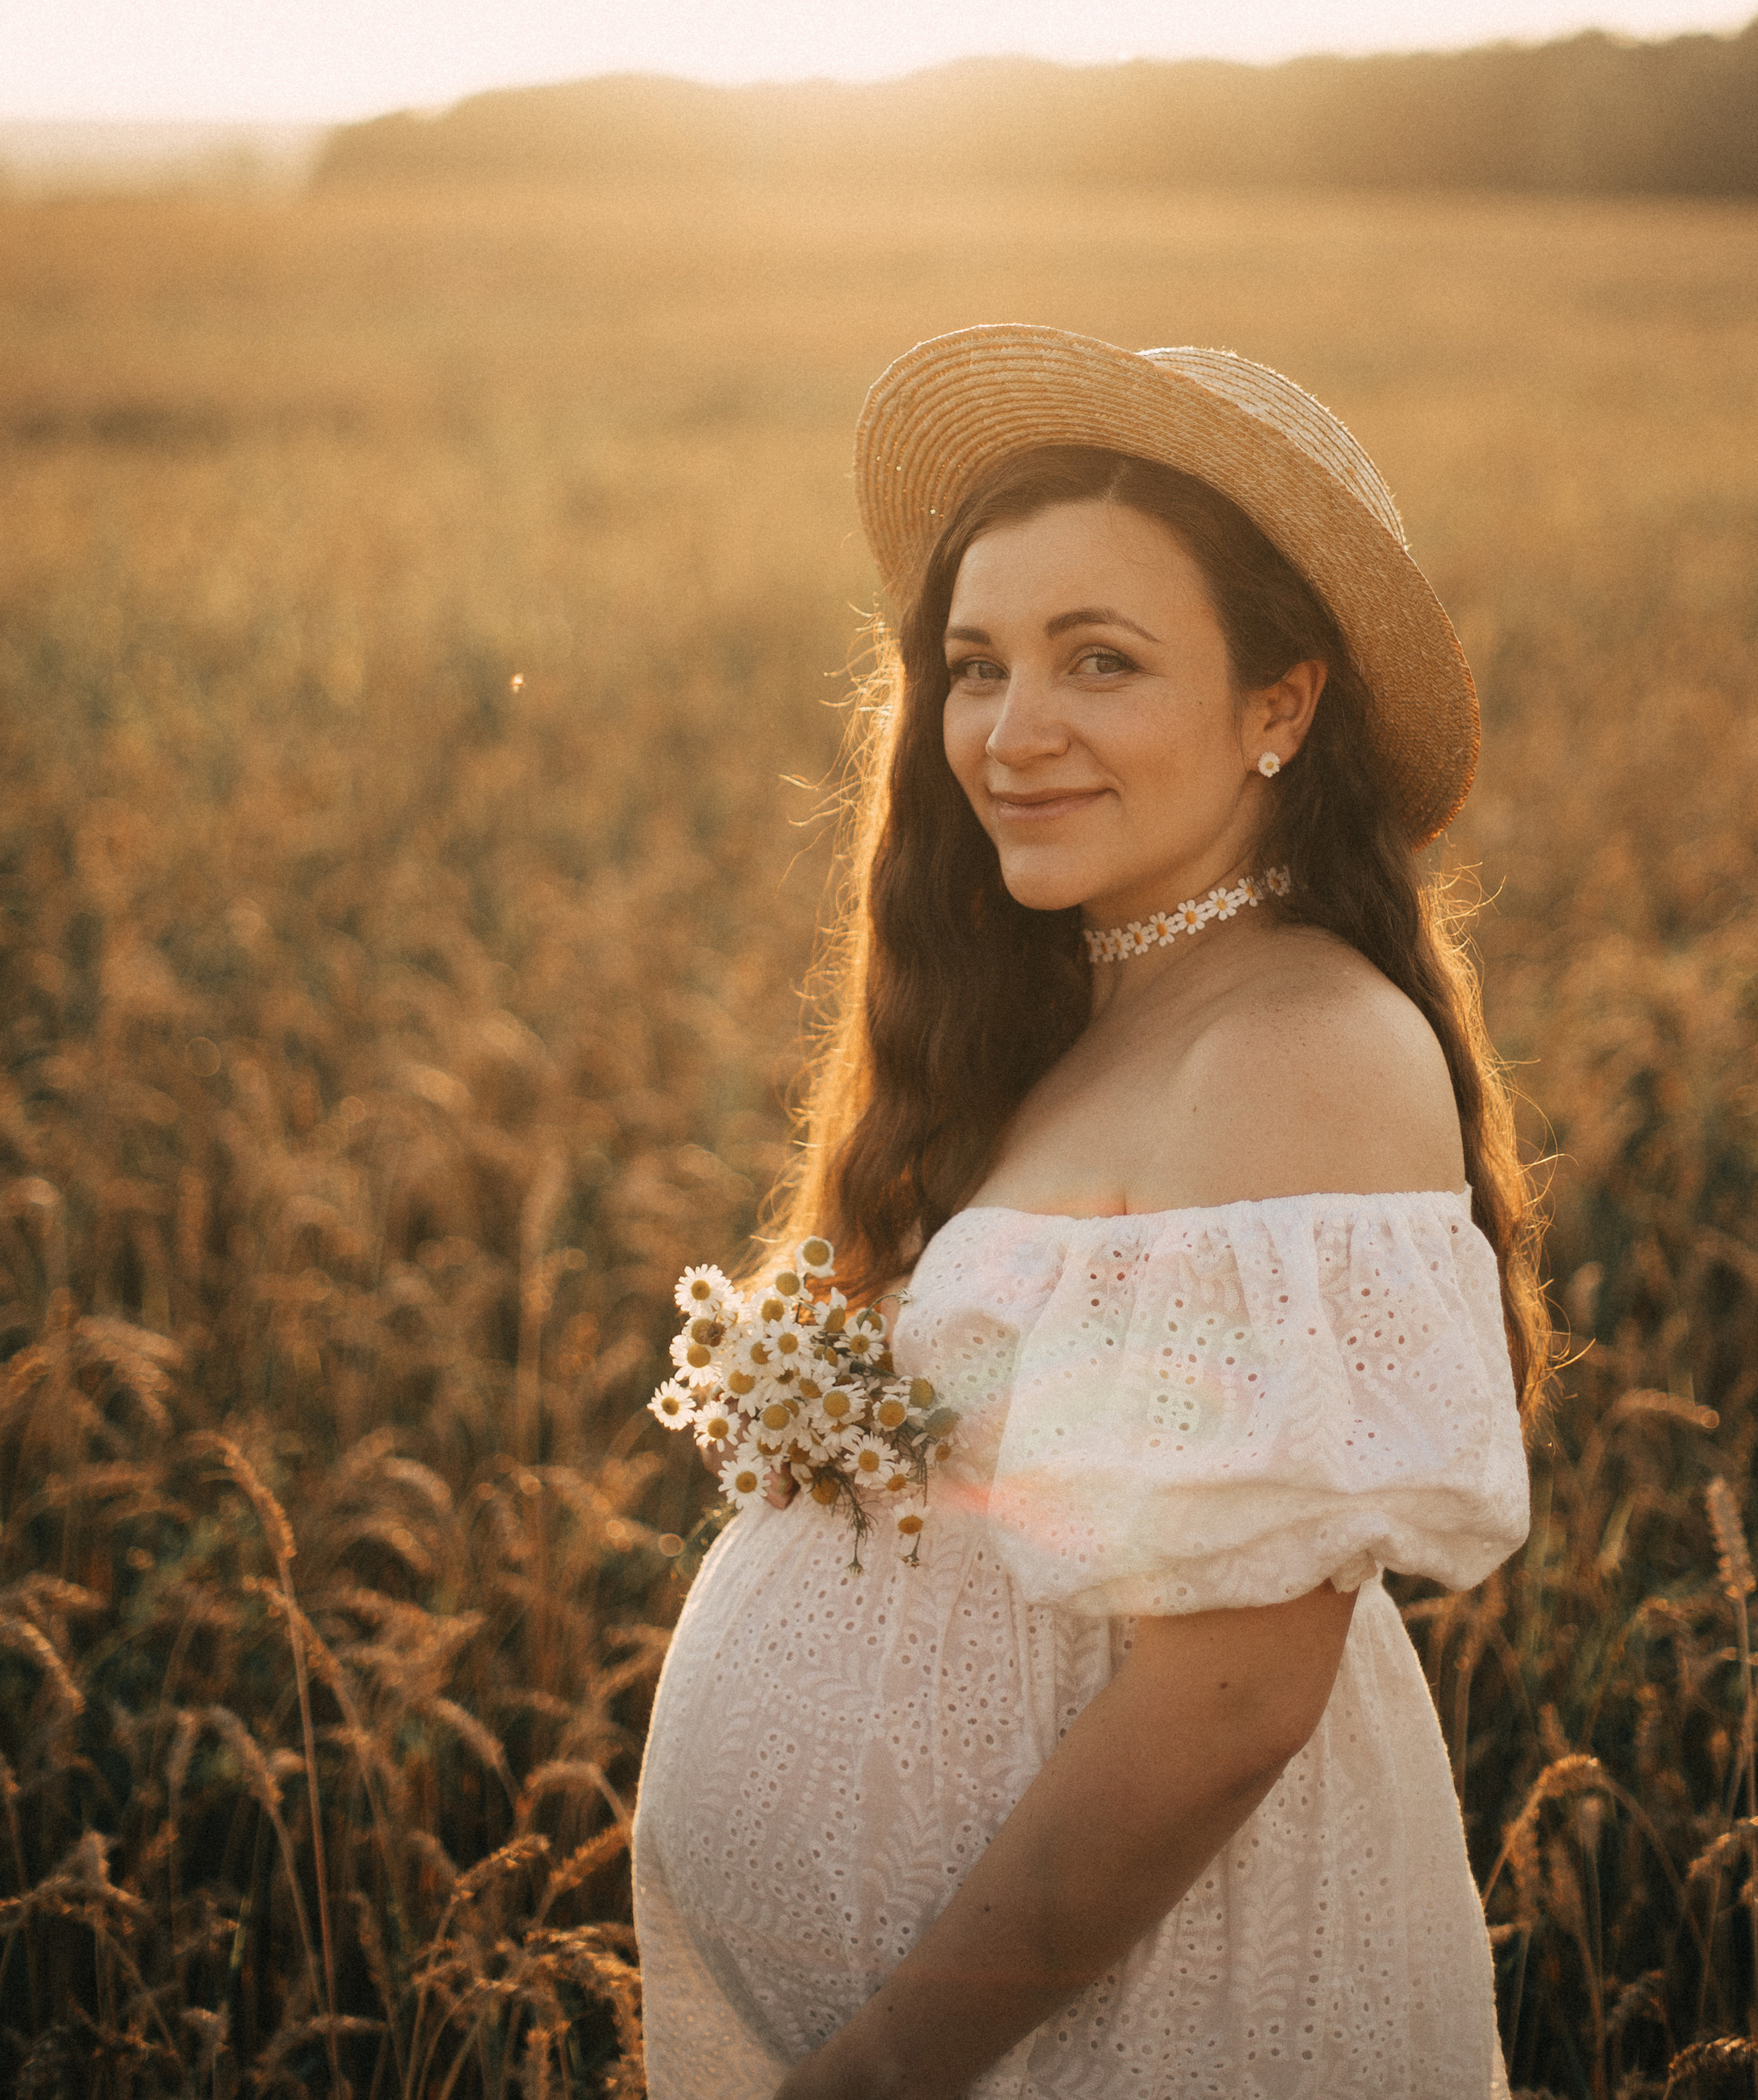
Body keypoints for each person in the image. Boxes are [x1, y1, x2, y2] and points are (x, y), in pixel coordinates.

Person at [633, 324, 1544, 2100]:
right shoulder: (1069, 1013)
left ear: (1279, 704)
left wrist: (888, 2067)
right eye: (974, 666)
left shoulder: (1296, 1045)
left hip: (1128, 2021)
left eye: (1099, 662)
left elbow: (1227, 1703)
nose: (1009, 732)